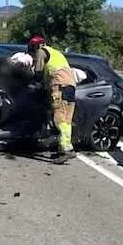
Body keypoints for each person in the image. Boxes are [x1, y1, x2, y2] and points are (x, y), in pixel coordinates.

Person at [26, 35, 77, 164]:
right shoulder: (55, 53)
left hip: (59, 85)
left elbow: (38, 73)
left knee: (59, 118)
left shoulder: (41, 52)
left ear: (35, 46)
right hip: (70, 86)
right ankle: (64, 148)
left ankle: (66, 150)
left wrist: (32, 81)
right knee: (66, 119)